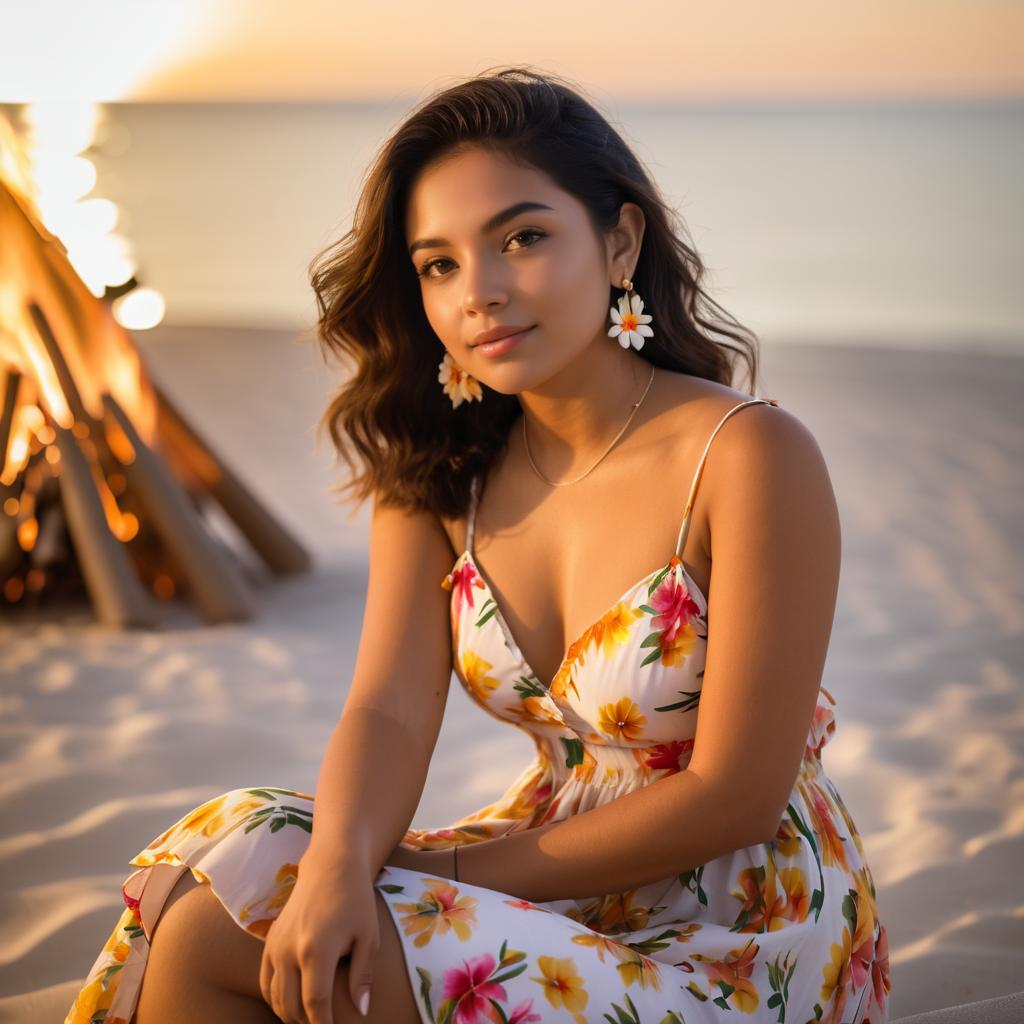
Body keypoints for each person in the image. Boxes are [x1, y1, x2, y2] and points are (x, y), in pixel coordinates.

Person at [65, 66, 891, 1024]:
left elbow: (736, 794)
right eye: (439, 264)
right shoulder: (440, 476)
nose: (481, 293)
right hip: (552, 871)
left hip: (743, 927)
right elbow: (385, 711)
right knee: (232, 865)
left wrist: (441, 870)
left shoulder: (746, 454)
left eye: (524, 238)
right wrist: (340, 867)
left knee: (229, 930)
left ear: (620, 241)